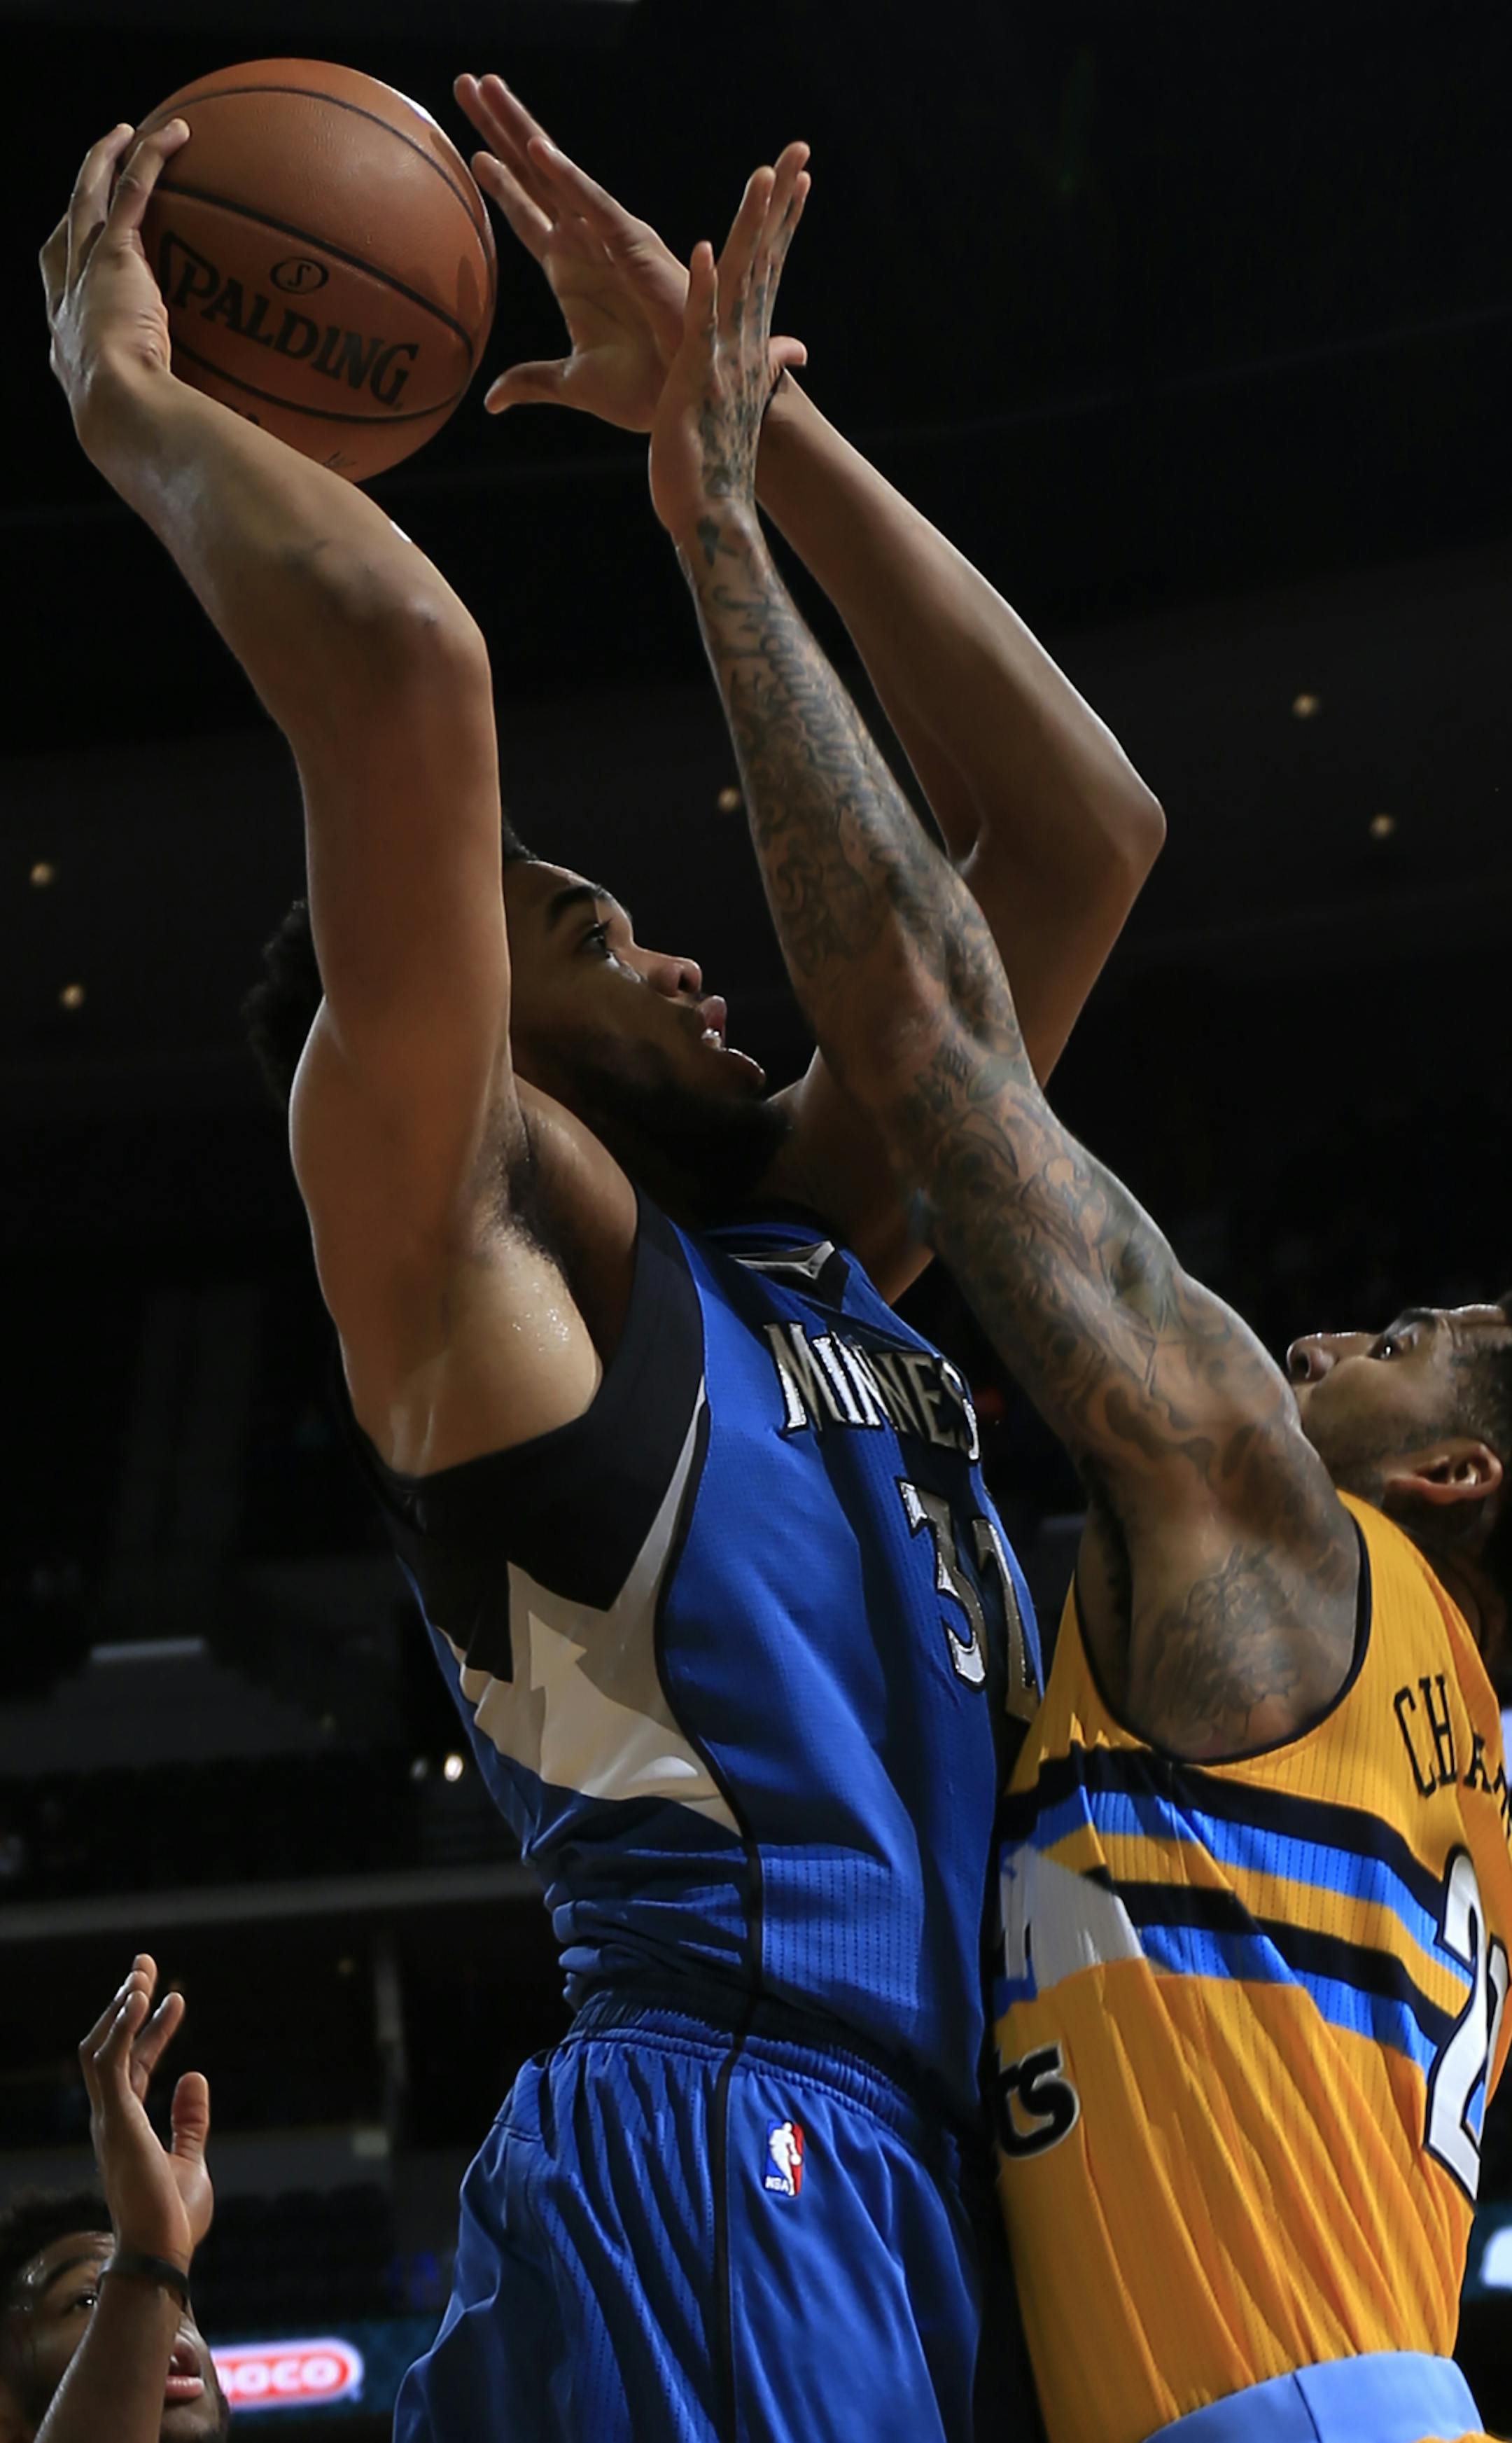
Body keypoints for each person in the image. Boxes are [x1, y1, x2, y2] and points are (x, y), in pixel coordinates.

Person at [42, 106, 1160, 2442]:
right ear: (474, 1010)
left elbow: (1074, 843)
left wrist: (750, 425)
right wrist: (136, 401)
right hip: (725, 2158)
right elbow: (408, 669)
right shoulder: (480, 1258)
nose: (669, 939)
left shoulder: (798, 1248)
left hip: (943, 2168)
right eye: (586, 924)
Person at [652, 148, 1512, 2443]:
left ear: (1455, 1471)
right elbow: (1084, 842)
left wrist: (722, 526)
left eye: (1402, 1339)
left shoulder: (1270, 1515)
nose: (1327, 1331)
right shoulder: (1433, 1742)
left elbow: (931, 1044)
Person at [0, 1958, 226, 2443]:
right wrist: (150, 2254)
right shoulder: (150, 2266)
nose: (164, 2324)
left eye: (178, 2306)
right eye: (87, 2300)